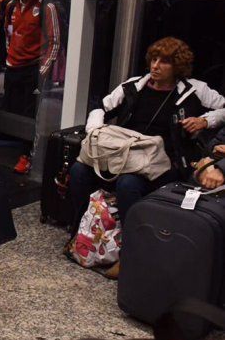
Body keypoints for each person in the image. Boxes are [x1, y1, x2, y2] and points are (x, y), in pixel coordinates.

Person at [71, 37, 225, 255]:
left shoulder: (194, 90)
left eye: (164, 61)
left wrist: (205, 121)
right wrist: (95, 131)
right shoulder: (134, 86)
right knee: (79, 170)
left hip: (165, 160)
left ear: (177, 66)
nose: (155, 66)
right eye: (153, 59)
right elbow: (100, 108)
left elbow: (223, 109)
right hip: (126, 154)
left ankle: (132, 248)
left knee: (128, 183)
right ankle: (81, 232)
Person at [3, 0, 62, 174]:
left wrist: (42, 72)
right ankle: (15, 149)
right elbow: (8, 32)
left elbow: (55, 42)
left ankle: (26, 155)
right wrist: (10, 57)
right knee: (13, 110)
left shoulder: (47, 6)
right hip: (12, 67)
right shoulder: (12, 5)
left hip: (31, 69)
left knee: (30, 115)